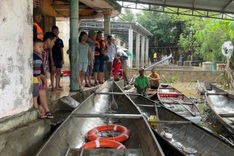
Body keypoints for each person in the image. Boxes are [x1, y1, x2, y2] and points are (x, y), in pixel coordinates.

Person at [37, 32, 57, 119]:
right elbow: (39, 65)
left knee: (42, 91)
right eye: (53, 41)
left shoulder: (46, 50)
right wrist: (43, 76)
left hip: (42, 74)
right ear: (48, 40)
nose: (54, 44)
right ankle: (45, 111)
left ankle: (44, 110)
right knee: (41, 91)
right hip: (38, 75)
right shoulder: (40, 49)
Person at [33, 39, 46, 118]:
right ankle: (38, 113)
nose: (42, 49)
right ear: (33, 47)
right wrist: (39, 81)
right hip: (35, 80)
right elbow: (37, 72)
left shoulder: (33, 56)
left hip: (32, 79)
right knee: (35, 97)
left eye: (42, 47)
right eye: (39, 47)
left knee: (34, 97)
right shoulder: (37, 58)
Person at [50, 25, 64, 91]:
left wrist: (63, 59)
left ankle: (57, 85)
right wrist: (51, 60)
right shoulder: (51, 40)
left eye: (57, 31)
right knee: (53, 72)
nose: (56, 32)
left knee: (58, 72)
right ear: (52, 32)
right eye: (54, 31)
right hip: (53, 58)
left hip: (59, 58)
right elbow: (50, 50)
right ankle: (52, 86)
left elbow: (61, 50)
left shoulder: (60, 41)